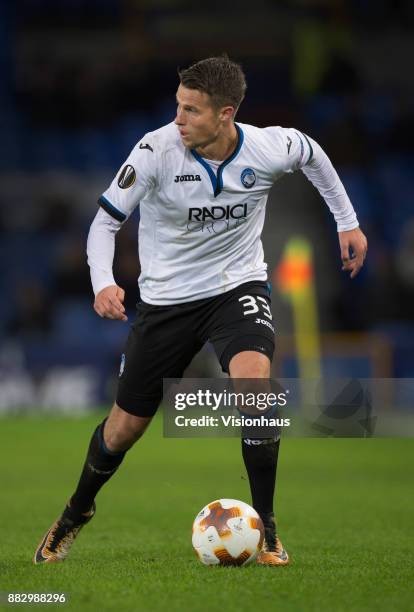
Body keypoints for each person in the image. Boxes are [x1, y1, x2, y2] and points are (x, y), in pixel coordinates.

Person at [33, 56, 367, 566]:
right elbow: (104, 224)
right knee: (124, 428)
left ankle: (268, 530)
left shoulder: (269, 146)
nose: (179, 119)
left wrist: (347, 221)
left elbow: (314, 153)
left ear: (226, 114)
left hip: (237, 285)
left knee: (256, 390)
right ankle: (75, 512)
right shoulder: (154, 151)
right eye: (177, 106)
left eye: (191, 110)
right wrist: (103, 283)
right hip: (166, 300)